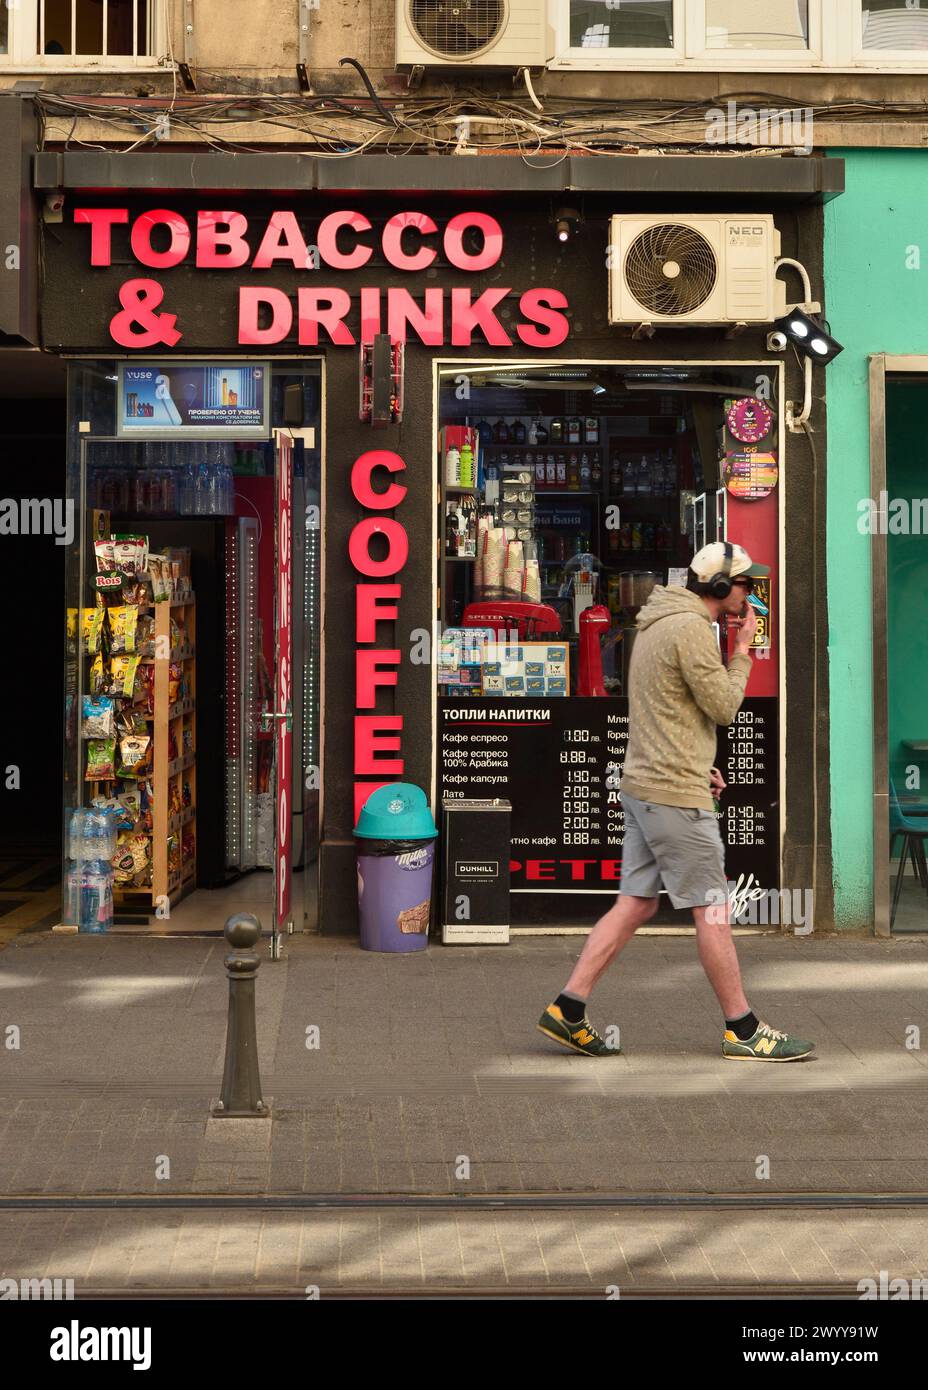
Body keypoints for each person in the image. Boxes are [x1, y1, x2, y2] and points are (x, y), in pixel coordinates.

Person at [538, 541, 815, 1063]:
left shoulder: (654, 622)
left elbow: (666, 707)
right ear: (716, 588)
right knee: (712, 910)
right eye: (743, 584)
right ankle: (743, 1029)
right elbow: (725, 705)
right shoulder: (691, 629)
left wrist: (693, 758)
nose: (750, 593)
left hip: (646, 784)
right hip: (674, 796)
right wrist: (741, 653)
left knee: (636, 903)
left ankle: (567, 1009)